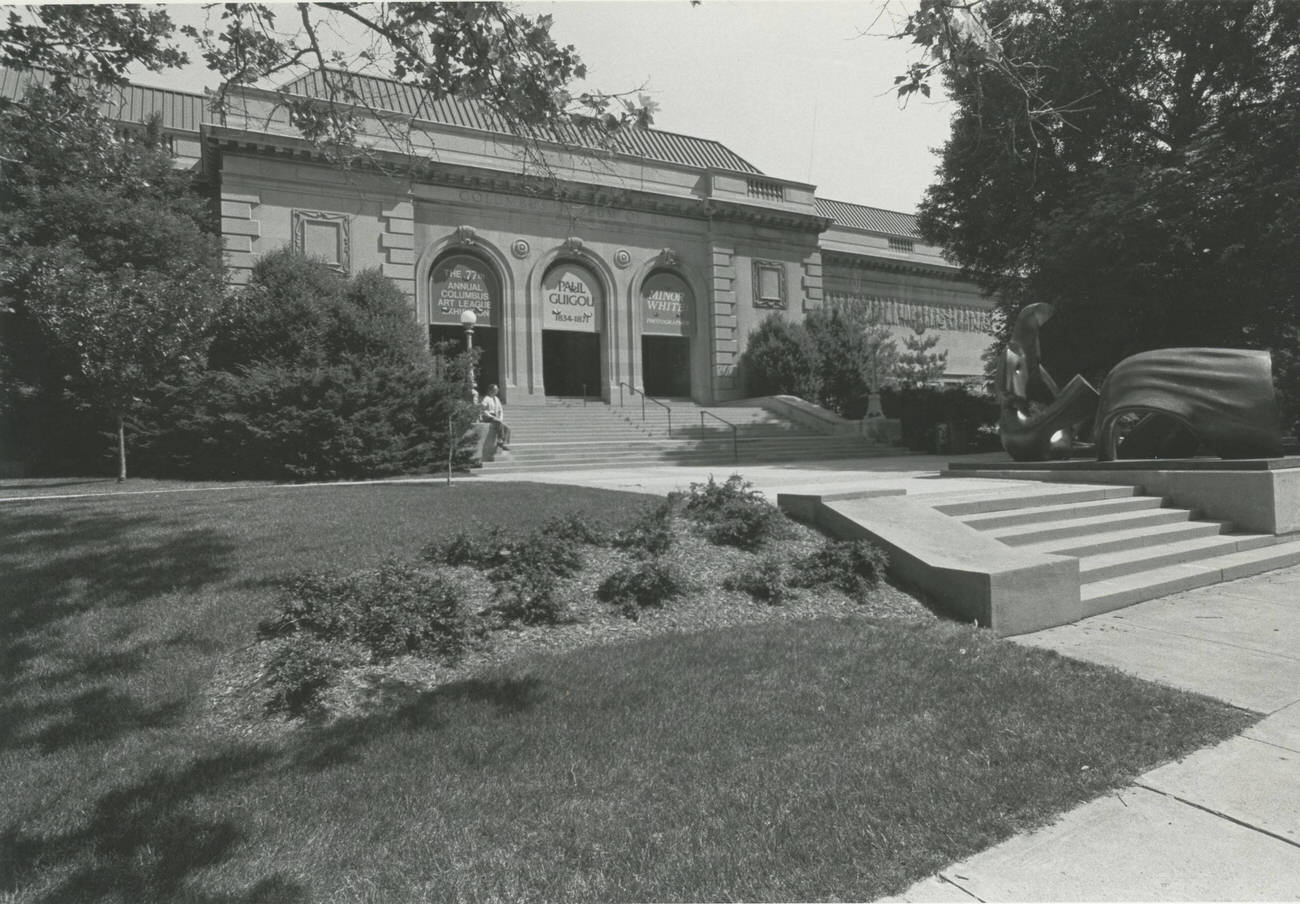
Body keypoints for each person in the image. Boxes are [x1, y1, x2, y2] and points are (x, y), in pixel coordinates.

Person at [480, 384, 511, 449]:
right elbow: (483, 410)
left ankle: (503, 443)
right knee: (499, 423)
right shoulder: (486, 398)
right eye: (496, 389)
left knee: (507, 427)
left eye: (497, 389)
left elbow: (500, 410)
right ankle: (499, 440)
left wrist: (501, 418)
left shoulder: (497, 399)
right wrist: (491, 416)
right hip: (488, 417)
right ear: (491, 390)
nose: (497, 390)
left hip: (496, 417)